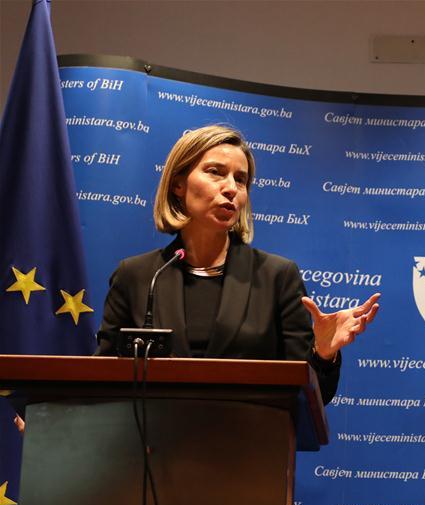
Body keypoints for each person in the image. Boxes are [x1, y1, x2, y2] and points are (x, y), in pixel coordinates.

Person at [96, 125, 378, 402]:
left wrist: (323, 353)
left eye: (240, 180)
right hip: (152, 444)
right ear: (178, 184)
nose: (231, 188)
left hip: (249, 443)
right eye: (215, 172)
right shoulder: (137, 276)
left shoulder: (276, 277)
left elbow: (311, 397)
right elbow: (100, 381)